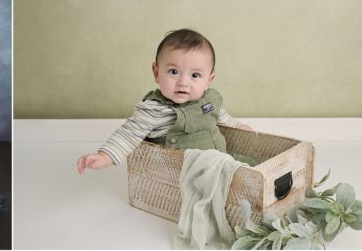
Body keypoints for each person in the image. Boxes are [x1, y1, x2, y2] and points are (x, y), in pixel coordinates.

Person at [77, 28, 251, 173]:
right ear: (157, 73)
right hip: (185, 175)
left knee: (252, 165)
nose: (183, 82)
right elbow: (128, 134)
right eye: (174, 72)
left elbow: (221, 117)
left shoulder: (209, 100)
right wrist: (104, 156)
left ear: (209, 80)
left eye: (195, 75)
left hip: (224, 160)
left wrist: (239, 127)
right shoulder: (154, 110)